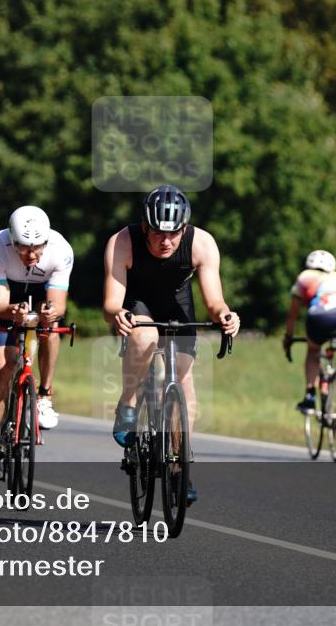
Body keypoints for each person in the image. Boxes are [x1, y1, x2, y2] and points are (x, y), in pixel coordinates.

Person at [102, 184, 240, 504]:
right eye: (158, 233)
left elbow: (215, 300)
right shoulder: (122, 241)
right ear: (146, 227)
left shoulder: (201, 243)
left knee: (184, 382)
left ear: (185, 228)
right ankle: (128, 404)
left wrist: (225, 316)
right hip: (137, 303)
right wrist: (119, 314)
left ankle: (179, 467)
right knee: (146, 335)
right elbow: (111, 301)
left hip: (178, 304)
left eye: (174, 234)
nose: (166, 241)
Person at [0, 206, 73, 479]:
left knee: (52, 325)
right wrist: (13, 313)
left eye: (37, 247)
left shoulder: (60, 250)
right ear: (12, 240)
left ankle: (44, 394)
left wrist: (49, 312)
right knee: (4, 366)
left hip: (41, 290)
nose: (31, 254)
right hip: (8, 296)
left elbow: (58, 305)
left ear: (46, 241)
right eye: (23, 247)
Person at [283, 249, 336, 440]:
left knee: (313, 352)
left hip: (320, 316)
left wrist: (288, 337)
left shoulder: (304, 276)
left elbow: (293, 313)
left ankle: (310, 396)